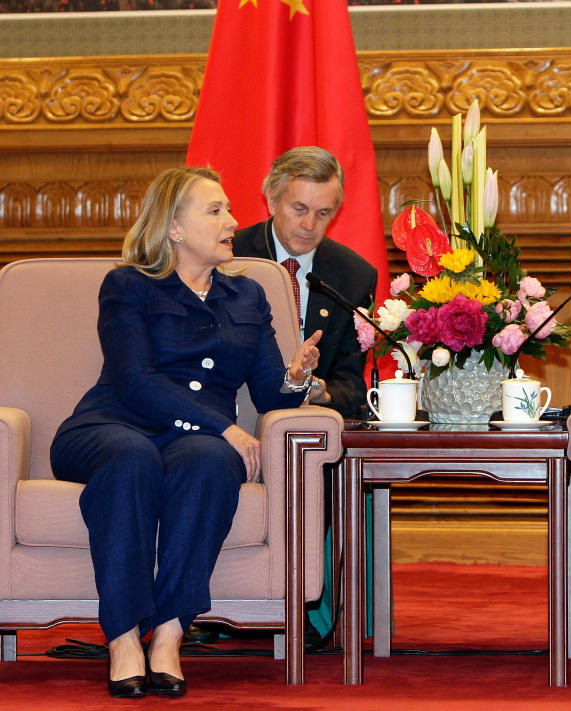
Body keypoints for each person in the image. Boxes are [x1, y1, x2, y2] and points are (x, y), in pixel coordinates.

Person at [50, 167, 322, 699]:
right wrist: (225, 426)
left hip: (194, 443)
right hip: (111, 423)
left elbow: (269, 397)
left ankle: (170, 634)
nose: (234, 221)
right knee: (132, 458)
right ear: (173, 227)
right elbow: (134, 380)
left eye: (230, 209)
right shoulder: (128, 285)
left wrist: (296, 375)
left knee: (209, 462)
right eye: (215, 210)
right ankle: (123, 636)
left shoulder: (248, 295)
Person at [233, 146, 378, 418]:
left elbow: (352, 387)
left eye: (323, 213)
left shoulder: (355, 275)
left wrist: (324, 392)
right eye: (299, 209)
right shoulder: (231, 258)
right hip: (239, 411)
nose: (310, 225)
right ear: (272, 200)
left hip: (314, 421)